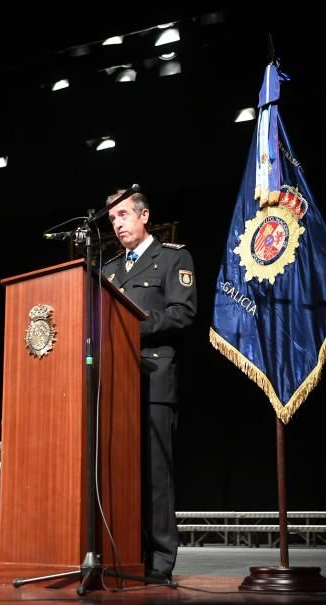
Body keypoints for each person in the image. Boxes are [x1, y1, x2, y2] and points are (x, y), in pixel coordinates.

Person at [100, 189, 196, 583]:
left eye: (123, 215)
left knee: (156, 475)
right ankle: (126, 552)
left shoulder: (174, 257)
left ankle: (159, 560)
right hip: (115, 385)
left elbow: (182, 313)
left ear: (144, 216)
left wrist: (130, 326)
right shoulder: (108, 270)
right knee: (118, 472)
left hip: (154, 377)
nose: (118, 224)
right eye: (112, 220)